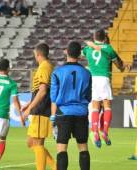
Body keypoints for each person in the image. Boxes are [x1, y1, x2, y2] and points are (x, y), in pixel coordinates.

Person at [82, 29, 129, 148]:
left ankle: (95, 132)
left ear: (94, 37)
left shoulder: (88, 49)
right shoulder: (109, 49)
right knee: (107, 106)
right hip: (104, 78)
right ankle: (105, 131)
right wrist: (124, 67)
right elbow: (119, 65)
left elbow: (80, 53)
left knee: (95, 107)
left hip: (92, 79)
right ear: (104, 38)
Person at [50, 41, 91, 170]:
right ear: (80, 54)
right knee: (83, 147)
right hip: (81, 113)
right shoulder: (87, 73)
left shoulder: (57, 72)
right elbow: (88, 97)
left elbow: (53, 98)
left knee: (61, 148)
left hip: (63, 113)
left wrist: (53, 117)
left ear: (66, 52)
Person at [22, 43, 56, 170]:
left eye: (35, 55)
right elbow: (39, 90)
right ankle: (56, 167)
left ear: (38, 54)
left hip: (41, 110)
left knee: (37, 143)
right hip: (39, 109)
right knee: (31, 143)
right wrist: (29, 104)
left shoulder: (44, 67)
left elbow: (42, 91)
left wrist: (30, 108)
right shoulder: (46, 67)